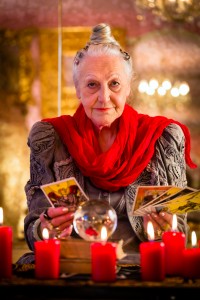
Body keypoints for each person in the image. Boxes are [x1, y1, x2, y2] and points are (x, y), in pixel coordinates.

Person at [17, 23, 197, 264]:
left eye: (114, 84)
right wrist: (46, 228)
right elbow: (33, 231)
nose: (104, 98)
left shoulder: (163, 137)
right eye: (92, 85)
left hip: (141, 272)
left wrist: (166, 230)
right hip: (73, 269)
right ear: (78, 90)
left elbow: (179, 235)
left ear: (128, 88)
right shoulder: (50, 138)